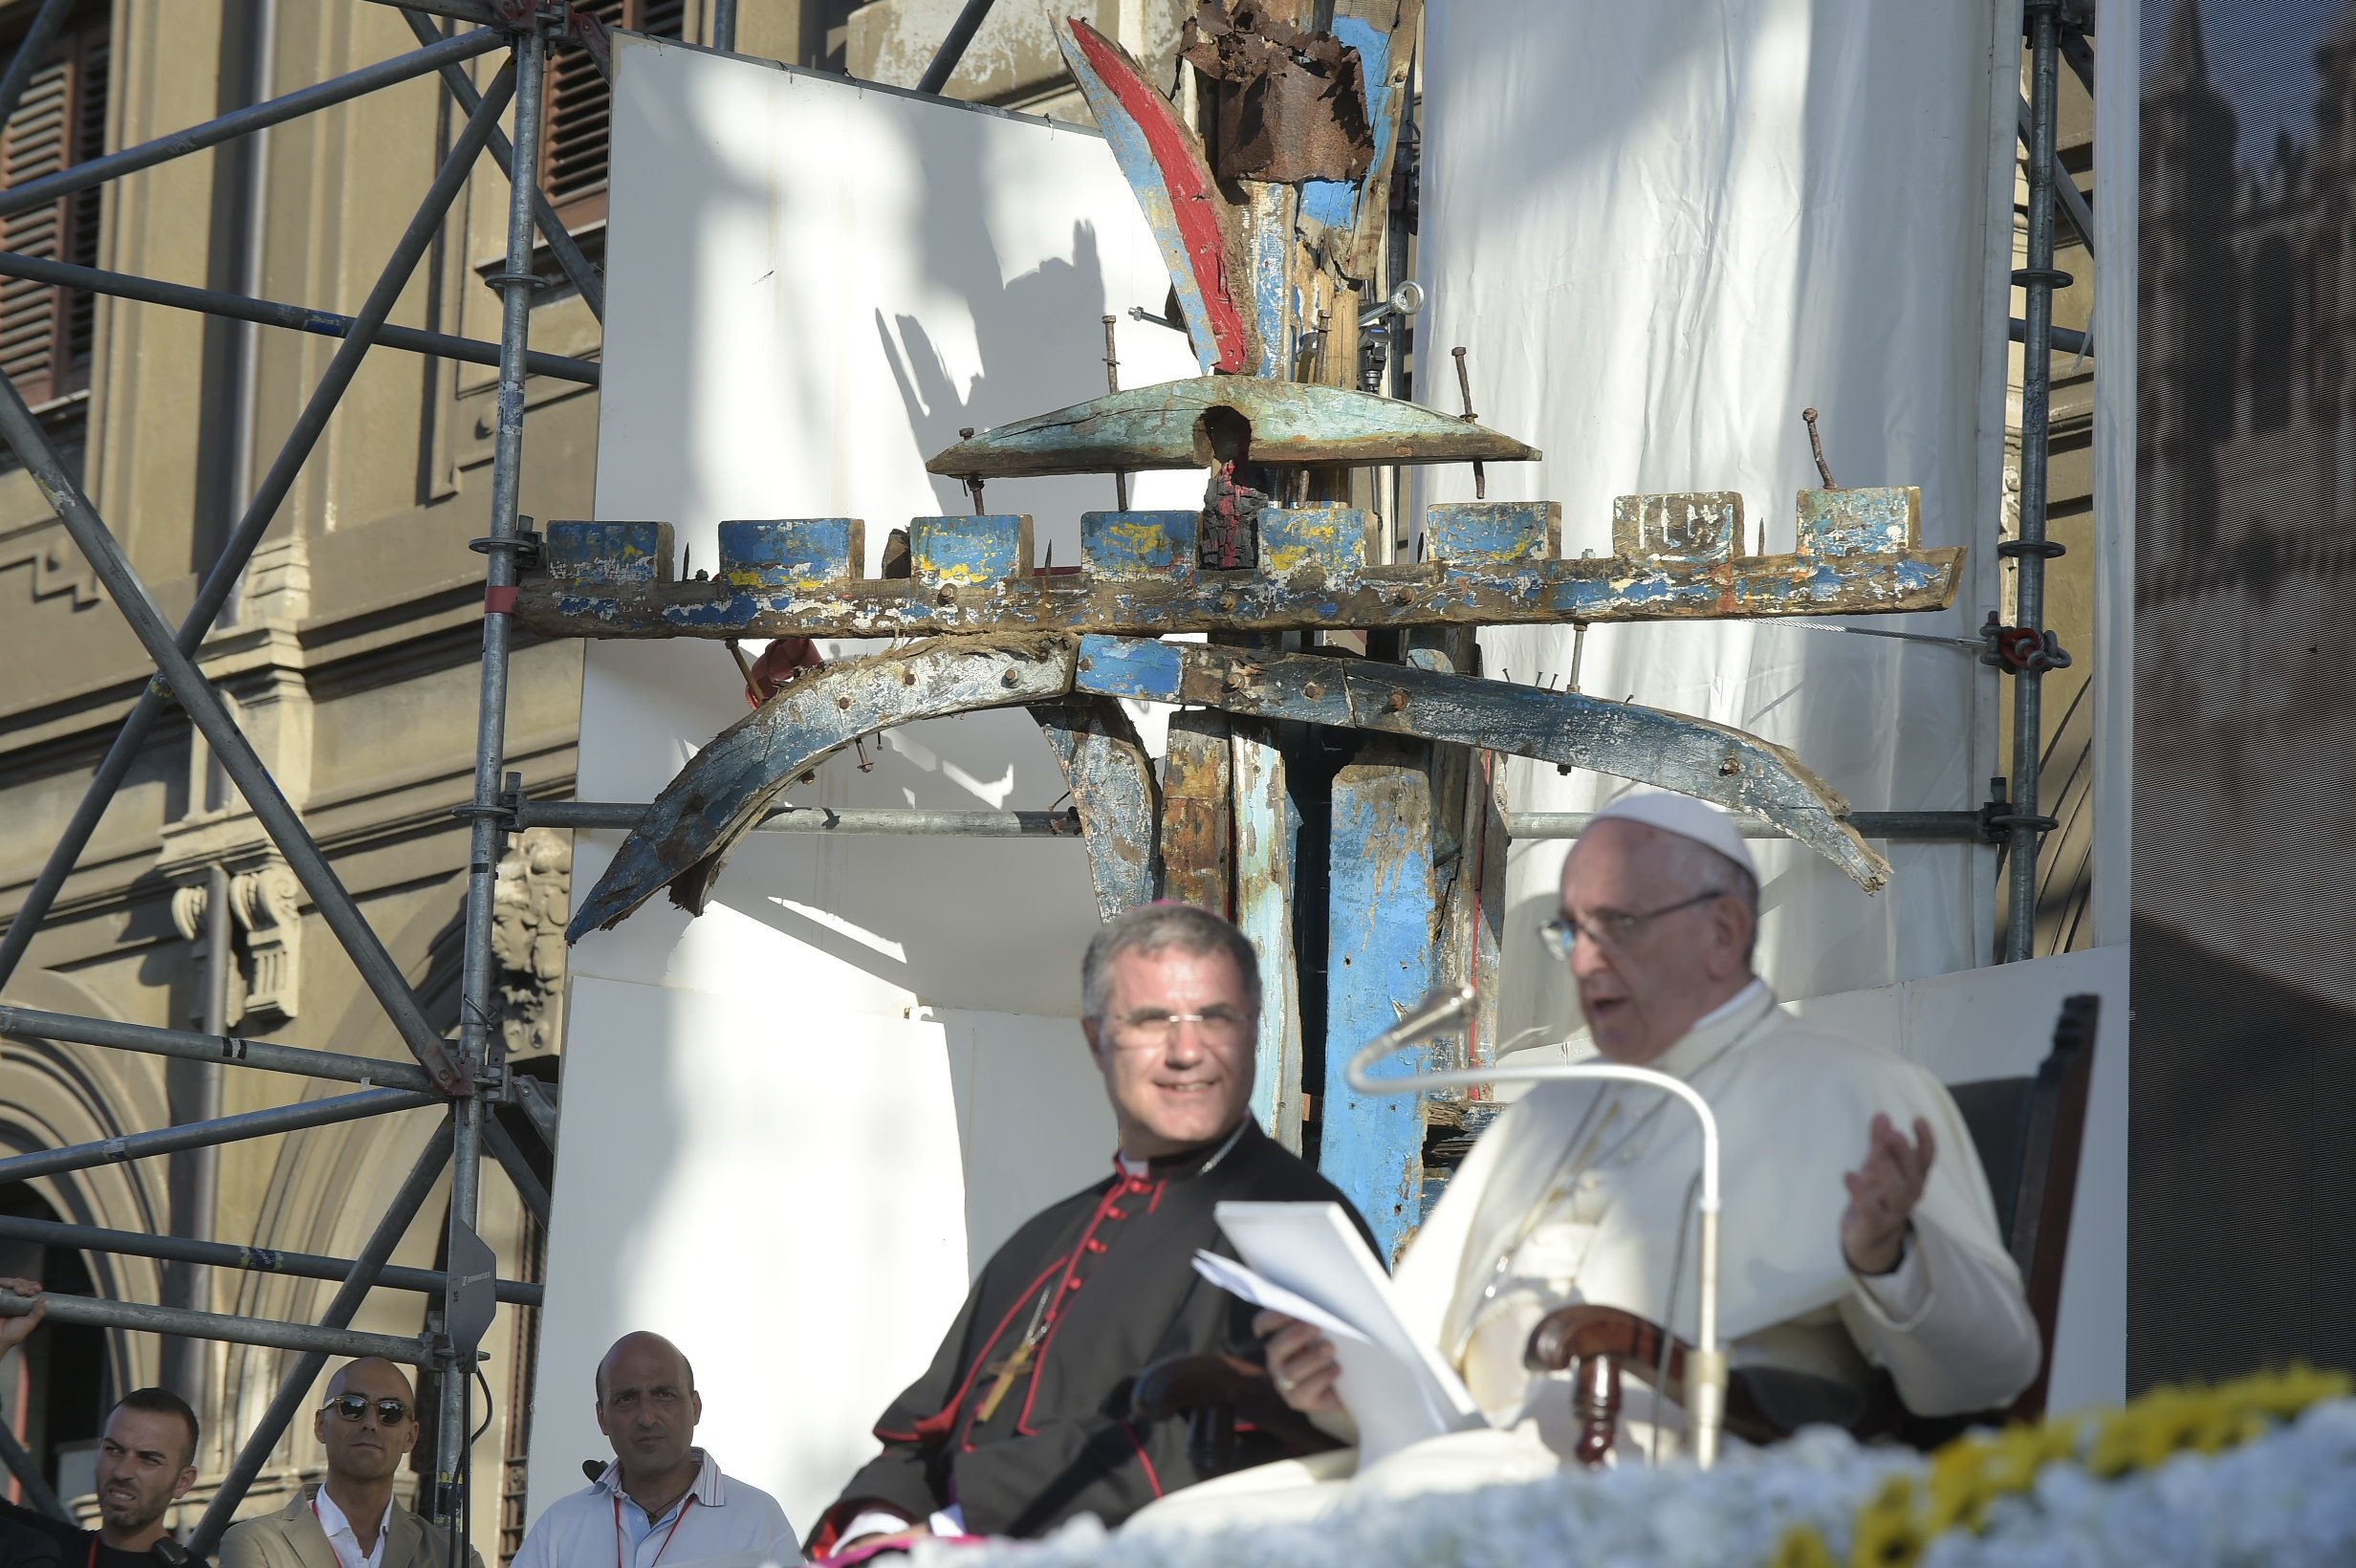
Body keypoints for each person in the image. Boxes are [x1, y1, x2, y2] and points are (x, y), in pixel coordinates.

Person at [1134, 793, 2040, 1528]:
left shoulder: (1859, 1092)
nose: (1587, 961)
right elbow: (1423, 1375)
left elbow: (1992, 1373)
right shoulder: (1551, 1108)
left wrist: (1890, 1257)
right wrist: (1332, 1380)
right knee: (1174, 1534)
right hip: (1475, 1464)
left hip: (1679, 1490)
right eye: (1572, 930)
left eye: (1620, 924)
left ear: (1725, 932)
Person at [803, 905, 1378, 1556]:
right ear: (1095, 1039)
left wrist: (951, 1534)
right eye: (1151, 1020)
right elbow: (920, 1437)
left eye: (1216, 1017)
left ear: (1252, 1031)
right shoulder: (1044, 1238)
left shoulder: (1301, 1222)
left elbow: (1262, 1454)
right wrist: (875, 1532)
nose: (1187, 1052)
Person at [510, 1332, 796, 1568]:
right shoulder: (559, 1527)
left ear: (695, 1408)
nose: (647, 1417)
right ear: (602, 1418)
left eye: (664, 1395)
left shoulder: (756, 1518)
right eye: (626, 1399)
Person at [218, 1356, 481, 1568]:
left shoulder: (455, 1558)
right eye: (352, 1406)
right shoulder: (257, 1543)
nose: (370, 1423)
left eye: (390, 1411)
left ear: (411, 1437)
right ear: (321, 1426)